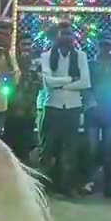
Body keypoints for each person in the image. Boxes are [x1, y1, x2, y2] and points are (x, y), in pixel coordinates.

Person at [38, 23, 90, 196]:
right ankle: (45, 188)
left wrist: (60, 84)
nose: (66, 38)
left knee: (70, 150)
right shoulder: (46, 56)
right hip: (52, 106)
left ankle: (67, 187)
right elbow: (48, 83)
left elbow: (86, 83)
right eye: (63, 35)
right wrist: (70, 79)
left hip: (73, 108)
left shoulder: (80, 56)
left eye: (69, 35)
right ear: (57, 37)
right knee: (48, 148)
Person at [85, 39, 111, 196]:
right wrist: (91, 103)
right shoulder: (90, 64)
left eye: (107, 44)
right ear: (98, 46)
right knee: (92, 149)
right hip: (93, 110)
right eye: (102, 44)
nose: (105, 47)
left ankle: (109, 187)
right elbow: (86, 85)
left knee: (109, 150)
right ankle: (90, 183)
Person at [3, 37, 41, 162]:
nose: (27, 47)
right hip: (12, 110)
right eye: (24, 44)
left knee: (26, 146)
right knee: (11, 145)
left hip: (29, 111)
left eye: (29, 44)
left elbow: (40, 84)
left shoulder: (36, 64)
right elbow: (5, 82)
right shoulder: (12, 62)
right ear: (18, 46)